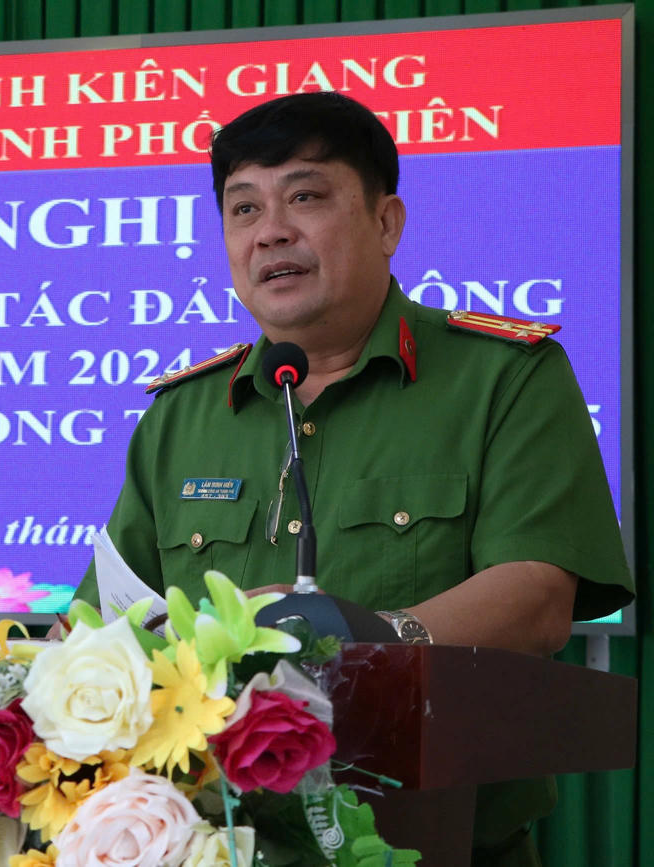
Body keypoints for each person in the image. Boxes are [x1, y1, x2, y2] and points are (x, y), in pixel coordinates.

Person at [76, 91, 633, 866]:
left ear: (386, 222)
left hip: (438, 841)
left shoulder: (504, 377)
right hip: (214, 841)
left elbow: (538, 595)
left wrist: (364, 644)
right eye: (243, 208)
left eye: (304, 196)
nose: (271, 230)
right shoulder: (182, 415)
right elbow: (100, 624)